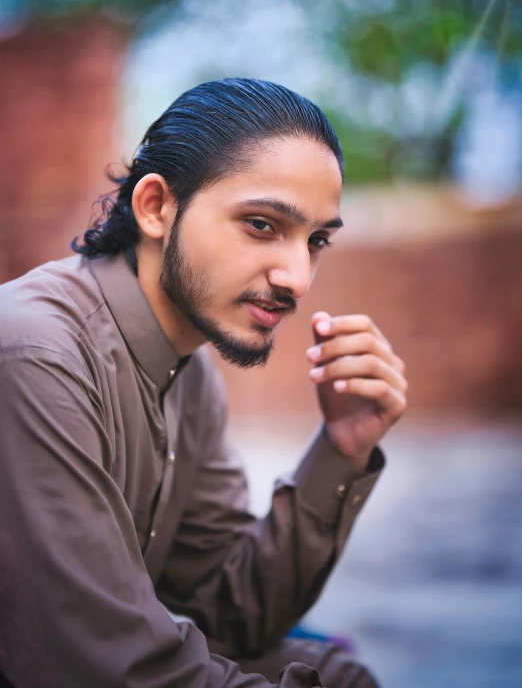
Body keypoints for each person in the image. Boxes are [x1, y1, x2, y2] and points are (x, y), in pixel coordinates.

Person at [0, 78, 407, 688]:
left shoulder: (188, 371)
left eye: (316, 239)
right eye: (263, 225)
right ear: (156, 207)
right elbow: (99, 666)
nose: (296, 276)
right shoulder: (36, 353)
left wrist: (343, 447)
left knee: (334, 670)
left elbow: (231, 609)